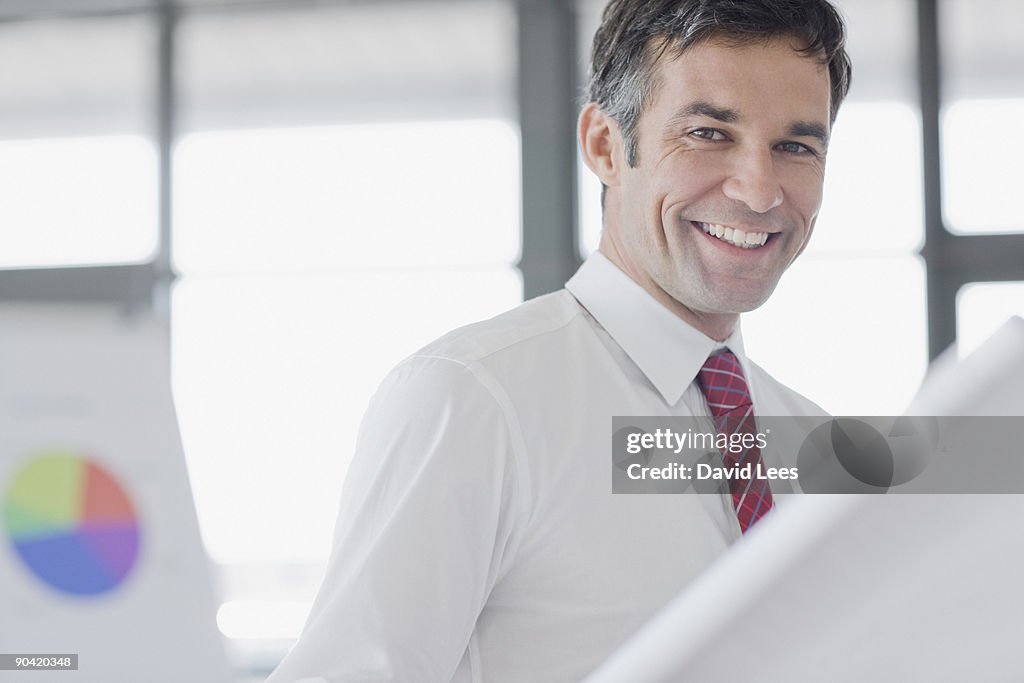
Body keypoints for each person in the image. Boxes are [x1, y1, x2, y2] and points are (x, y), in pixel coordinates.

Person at [268, 0, 852, 680]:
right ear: (606, 146)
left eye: (796, 146)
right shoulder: (475, 402)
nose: (758, 191)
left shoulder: (812, 441)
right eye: (708, 134)